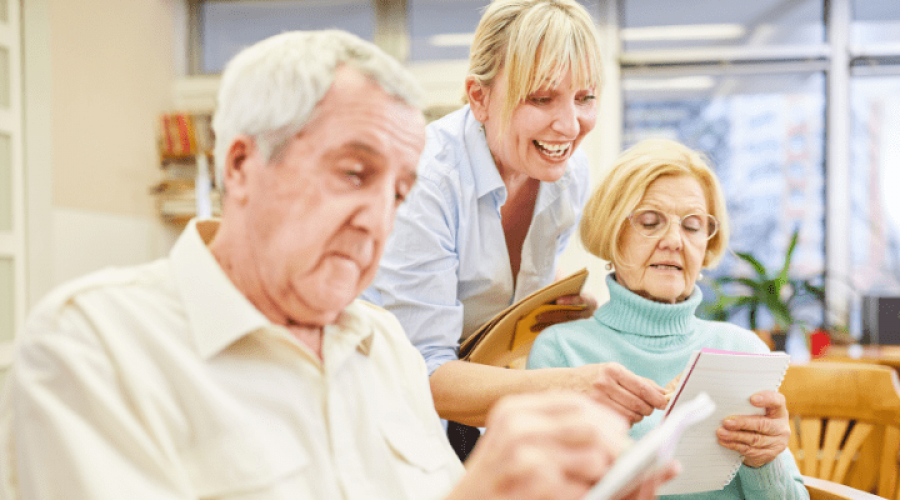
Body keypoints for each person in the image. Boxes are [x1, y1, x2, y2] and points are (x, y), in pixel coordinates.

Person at [0, 30, 676, 500]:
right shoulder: (94, 349)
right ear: (241, 165)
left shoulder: (384, 350)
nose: (379, 218)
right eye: (354, 173)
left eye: (400, 192)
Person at [362, 0, 667, 456]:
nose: (569, 125)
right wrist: (571, 384)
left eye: (584, 97)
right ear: (479, 98)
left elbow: (491, 326)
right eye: (542, 98)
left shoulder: (565, 175)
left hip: (469, 420)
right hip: (379, 418)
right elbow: (421, 376)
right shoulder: (426, 181)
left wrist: (543, 315)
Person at [527, 138, 809, 500]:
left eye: (692, 226)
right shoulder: (561, 351)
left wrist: (764, 461)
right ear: (613, 234)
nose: (674, 241)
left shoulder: (742, 349)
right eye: (649, 221)